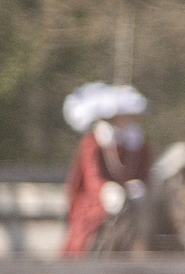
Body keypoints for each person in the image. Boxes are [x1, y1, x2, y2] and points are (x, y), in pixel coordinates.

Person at [61, 81, 152, 258]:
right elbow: (92, 177)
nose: (129, 119)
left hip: (134, 201)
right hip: (96, 201)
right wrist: (107, 191)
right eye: (124, 115)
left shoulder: (140, 143)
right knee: (85, 238)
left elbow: (145, 171)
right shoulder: (93, 142)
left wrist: (140, 188)